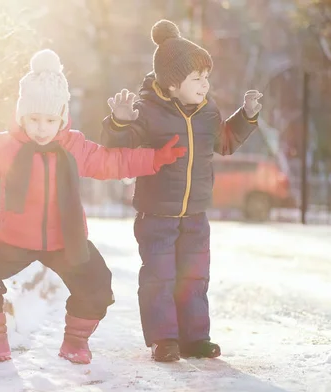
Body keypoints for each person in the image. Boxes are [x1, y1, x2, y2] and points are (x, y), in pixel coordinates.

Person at [0, 48, 186, 364]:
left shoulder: (73, 146)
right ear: (21, 115)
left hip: (66, 240)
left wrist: (155, 158)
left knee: (98, 287)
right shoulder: (7, 147)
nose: (41, 127)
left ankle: (76, 342)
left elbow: (111, 162)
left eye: (50, 120)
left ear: (62, 117)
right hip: (14, 239)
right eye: (34, 119)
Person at [100, 20, 263, 362]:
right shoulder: (147, 111)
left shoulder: (208, 112)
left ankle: (195, 337)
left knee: (194, 276)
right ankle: (164, 339)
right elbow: (120, 146)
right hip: (156, 214)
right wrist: (119, 122)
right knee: (160, 277)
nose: (205, 84)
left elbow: (226, 141)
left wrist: (246, 117)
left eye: (206, 76)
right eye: (197, 78)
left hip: (195, 214)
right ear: (173, 85)